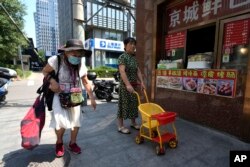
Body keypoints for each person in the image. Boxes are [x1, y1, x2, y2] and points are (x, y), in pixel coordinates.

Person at [42, 39, 97, 157]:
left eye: (79, 55)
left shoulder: (80, 63)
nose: (77, 57)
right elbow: (45, 71)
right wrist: (52, 81)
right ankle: (59, 142)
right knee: (59, 121)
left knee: (76, 121)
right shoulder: (56, 60)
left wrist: (92, 97)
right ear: (66, 52)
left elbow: (85, 81)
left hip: (75, 94)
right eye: (74, 54)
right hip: (59, 93)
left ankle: (73, 143)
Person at [117, 37, 145, 134]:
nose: (133, 46)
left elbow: (138, 71)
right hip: (125, 86)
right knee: (123, 105)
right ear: (125, 46)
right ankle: (120, 126)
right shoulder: (122, 57)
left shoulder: (134, 58)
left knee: (133, 104)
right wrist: (128, 85)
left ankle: (133, 123)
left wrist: (142, 82)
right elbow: (122, 71)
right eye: (130, 44)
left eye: (134, 44)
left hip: (134, 85)